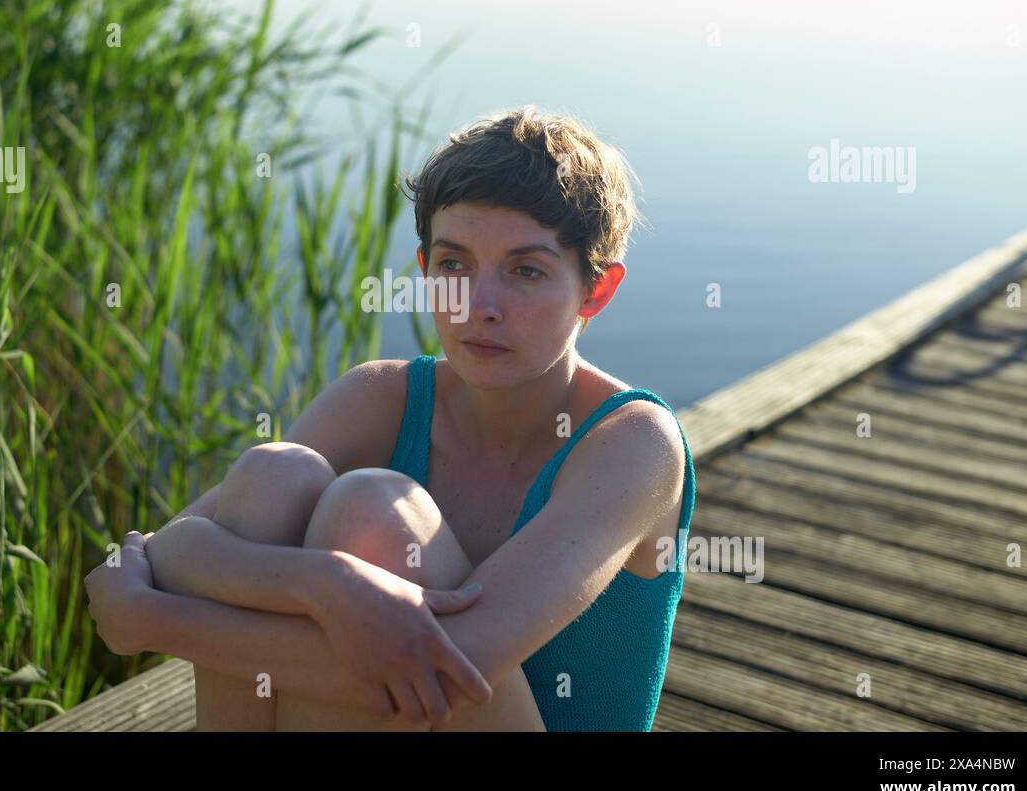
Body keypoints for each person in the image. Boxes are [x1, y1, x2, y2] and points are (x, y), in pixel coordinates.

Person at [84, 105, 696, 731]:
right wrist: (326, 585)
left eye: (526, 271)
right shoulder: (382, 397)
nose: (479, 306)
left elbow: (455, 670)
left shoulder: (635, 443)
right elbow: (171, 549)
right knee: (273, 475)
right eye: (455, 265)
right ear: (427, 270)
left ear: (596, 290)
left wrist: (154, 622)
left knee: (374, 510)